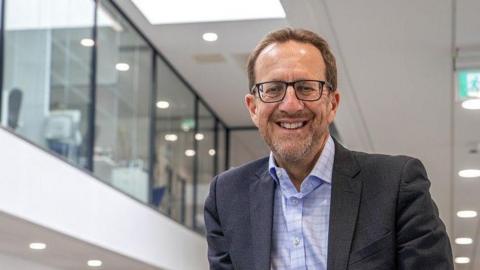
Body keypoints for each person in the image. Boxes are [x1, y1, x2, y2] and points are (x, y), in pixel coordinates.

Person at [204, 28, 453, 270]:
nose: (290, 105)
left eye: (306, 88)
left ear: (332, 104)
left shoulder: (397, 184)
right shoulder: (225, 197)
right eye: (273, 89)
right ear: (253, 108)